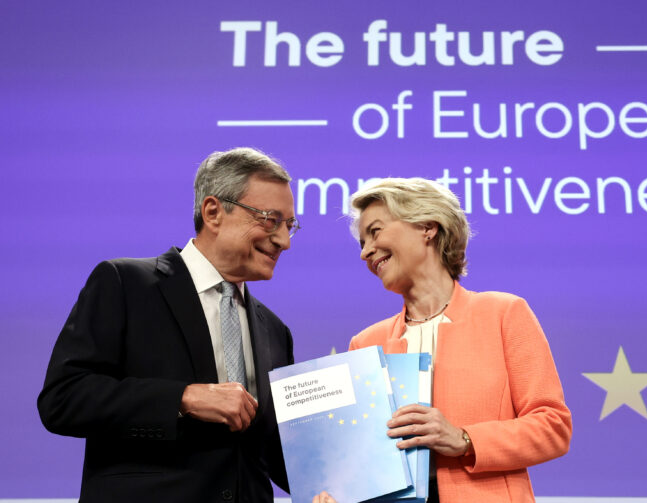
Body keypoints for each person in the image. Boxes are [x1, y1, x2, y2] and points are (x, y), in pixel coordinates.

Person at [37, 147, 298, 503]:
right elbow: (63, 400)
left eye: (289, 225)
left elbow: (278, 454)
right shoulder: (125, 284)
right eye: (269, 219)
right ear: (213, 212)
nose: (283, 240)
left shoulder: (274, 330)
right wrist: (182, 397)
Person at [345, 178, 571, 502]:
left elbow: (553, 426)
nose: (366, 251)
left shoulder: (504, 313)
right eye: (362, 242)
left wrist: (465, 439)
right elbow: (359, 458)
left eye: (376, 231)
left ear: (427, 226)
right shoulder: (365, 343)